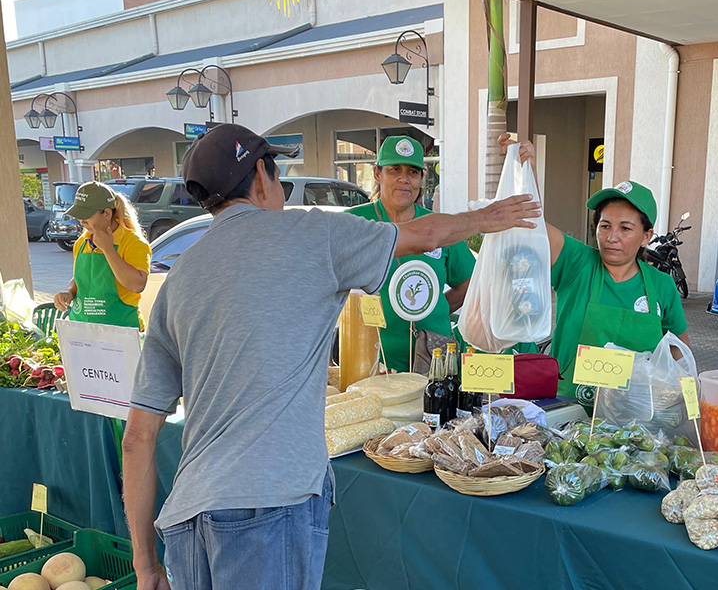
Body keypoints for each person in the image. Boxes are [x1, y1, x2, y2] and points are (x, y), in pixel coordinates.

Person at [121, 124, 539, 590]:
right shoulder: (312, 233)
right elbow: (422, 234)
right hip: (269, 506)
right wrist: (489, 217)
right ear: (261, 176)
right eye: (278, 176)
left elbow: (137, 437)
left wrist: (145, 564)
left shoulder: (178, 279)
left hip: (187, 515)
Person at [501, 135, 689, 409]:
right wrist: (526, 168)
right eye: (605, 225)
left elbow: (679, 349)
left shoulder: (661, 285)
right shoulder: (578, 263)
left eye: (625, 228)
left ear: (647, 235)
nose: (612, 237)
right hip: (569, 404)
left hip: (635, 412)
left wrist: (661, 383)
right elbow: (535, 227)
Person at [347, 136, 475, 373]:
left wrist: (433, 309)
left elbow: (469, 282)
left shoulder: (436, 227)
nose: (403, 179)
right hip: (372, 360)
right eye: (394, 170)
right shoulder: (353, 222)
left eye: (413, 172)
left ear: (422, 177)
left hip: (434, 357)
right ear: (377, 174)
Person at [53, 181, 151, 330]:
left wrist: (108, 249)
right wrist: (69, 291)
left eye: (86, 215)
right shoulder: (82, 242)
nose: (82, 221)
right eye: (78, 215)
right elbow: (82, 277)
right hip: (84, 329)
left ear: (107, 213)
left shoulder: (133, 242)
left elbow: (137, 284)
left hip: (121, 332)